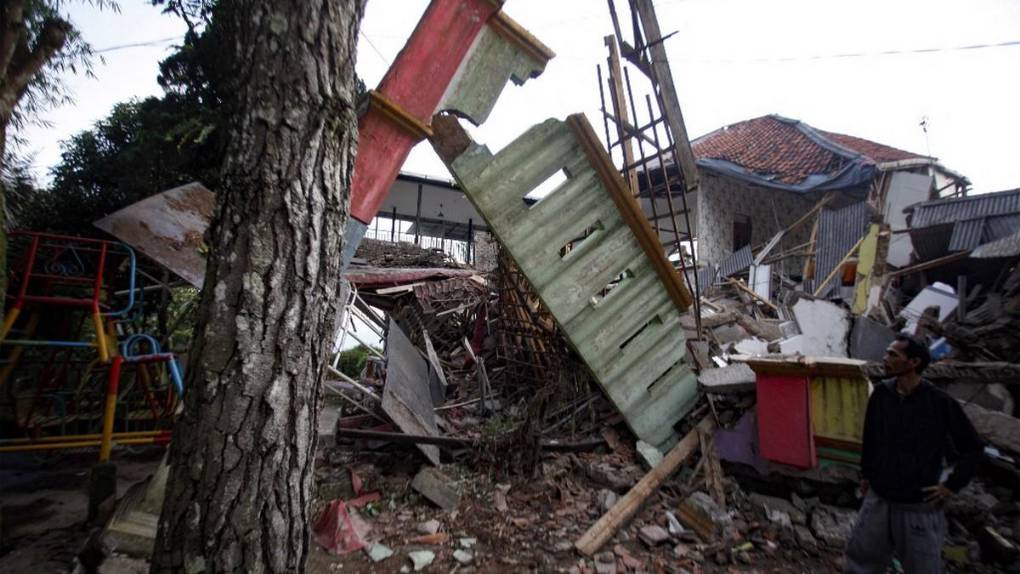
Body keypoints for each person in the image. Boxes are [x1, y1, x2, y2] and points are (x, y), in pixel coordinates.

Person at [845, 333, 983, 574]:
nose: (885, 358)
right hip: (880, 498)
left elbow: (972, 448)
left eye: (893, 354)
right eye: (887, 353)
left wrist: (951, 485)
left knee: (922, 566)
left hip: (916, 506)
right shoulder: (882, 394)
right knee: (861, 560)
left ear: (914, 362)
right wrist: (867, 474)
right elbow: (871, 437)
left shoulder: (938, 402)